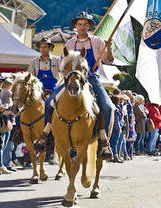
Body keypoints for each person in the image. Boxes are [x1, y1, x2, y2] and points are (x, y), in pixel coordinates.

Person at [41, 11, 114, 160]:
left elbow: (109, 60)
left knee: (107, 106)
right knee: (49, 102)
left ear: (89, 26)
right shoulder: (69, 43)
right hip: (71, 79)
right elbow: (63, 63)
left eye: (85, 24)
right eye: (80, 24)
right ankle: (46, 138)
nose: (82, 26)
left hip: (92, 78)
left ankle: (104, 142)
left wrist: (109, 48)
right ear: (76, 25)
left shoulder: (97, 41)